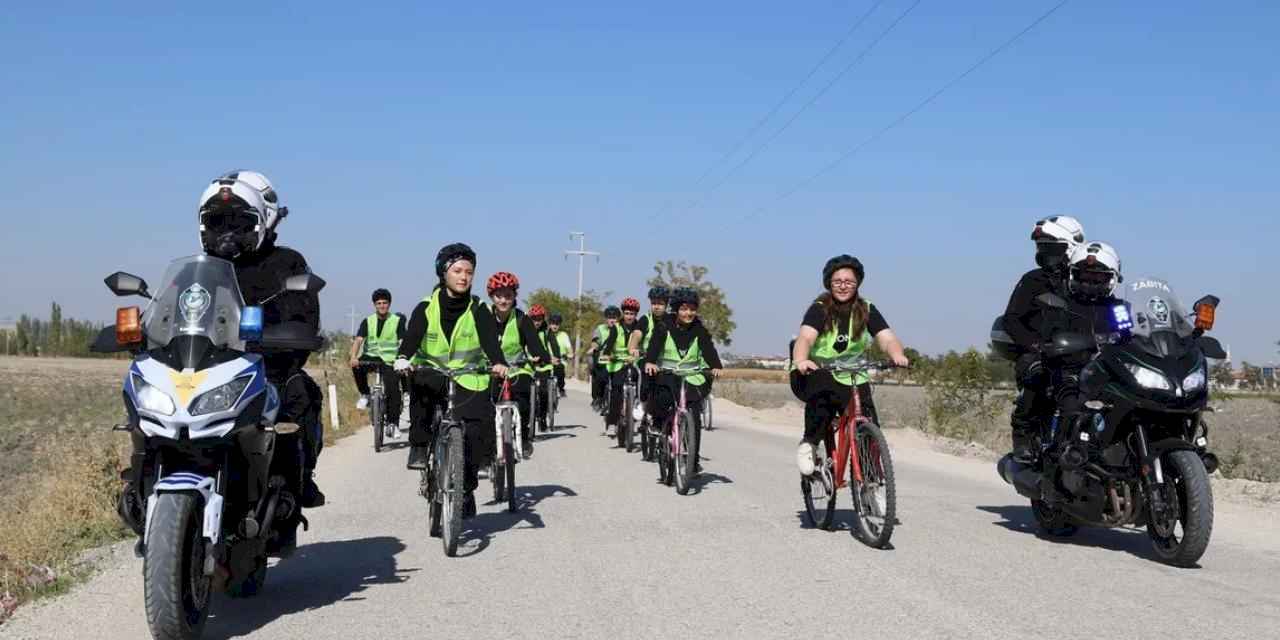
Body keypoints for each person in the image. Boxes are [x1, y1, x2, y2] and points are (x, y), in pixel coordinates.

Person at [394, 243, 508, 519]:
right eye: (457, 270)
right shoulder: (426, 307)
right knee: (420, 390)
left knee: (475, 429)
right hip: (432, 372)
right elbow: (412, 337)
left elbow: (489, 340)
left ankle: (466, 490)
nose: (464, 277)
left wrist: (498, 362)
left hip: (469, 376)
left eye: (469, 272)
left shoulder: (479, 308)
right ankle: (419, 447)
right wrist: (403, 357)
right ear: (443, 273)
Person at [790, 255, 910, 476]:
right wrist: (801, 360)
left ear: (857, 284)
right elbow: (805, 338)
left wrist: (897, 354)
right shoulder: (819, 309)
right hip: (817, 369)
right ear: (829, 283)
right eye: (837, 281)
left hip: (853, 372)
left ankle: (871, 483)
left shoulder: (866, 309)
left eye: (849, 282)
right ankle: (809, 444)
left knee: (867, 418)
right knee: (823, 396)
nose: (843, 286)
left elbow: (887, 338)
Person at [1002, 216, 1086, 461]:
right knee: (1036, 373)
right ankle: (1023, 436)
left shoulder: (1090, 279)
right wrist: (1034, 346)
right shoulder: (1033, 281)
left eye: (1051, 248)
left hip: (1083, 352)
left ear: (1071, 247)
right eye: (1041, 248)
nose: (1044, 254)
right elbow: (1011, 320)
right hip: (1042, 352)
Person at [643, 287, 723, 472]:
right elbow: (654, 346)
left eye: (692, 309)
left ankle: (692, 463)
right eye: (684, 309)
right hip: (667, 374)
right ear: (677, 309)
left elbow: (708, 349)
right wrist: (651, 362)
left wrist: (716, 366)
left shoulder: (699, 329)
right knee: (661, 398)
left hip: (692, 377)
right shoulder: (664, 325)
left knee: (694, 417)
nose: (689, 313)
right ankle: (657, 422)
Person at [485, 272, 550, 459]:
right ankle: (487, 448)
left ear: (514, 296)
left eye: (508, 295)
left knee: (522, 392)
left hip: (517, 369)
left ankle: (523, 436)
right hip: (489, 370)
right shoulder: (483, 318)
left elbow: (535, 344)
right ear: (491, 296)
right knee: (483, 404)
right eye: (499, 296)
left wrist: (542, 357)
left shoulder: (522, 319)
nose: (504, 300)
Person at [349, 288, 407, 432]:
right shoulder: (368, 321)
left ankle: (393, 424)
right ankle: (365, 394)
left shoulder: (396, 321)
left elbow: (401, 341)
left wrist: (401, 358)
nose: (382, 306)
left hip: (389, 360)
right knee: (356, 366)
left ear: (389, 304)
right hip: (372, 356)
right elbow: (358, 340)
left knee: (393, 389)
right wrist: (353, 356)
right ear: (374, 305)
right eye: (379, 303)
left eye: (385, 303)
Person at [601, 298, 641, 436]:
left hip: (634, 362)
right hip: (617, 363)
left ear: (636, 315)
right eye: (627, 313)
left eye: (632, 314)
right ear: (623, 313)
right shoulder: (616, 327)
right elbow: (610, 342)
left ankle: (635, 413)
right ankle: (612, 421)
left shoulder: (640, 327)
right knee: (616, 391)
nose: (629, 316)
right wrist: (607, 354)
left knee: (640, 385)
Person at [629, 287, 668, 421]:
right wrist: (633, 348)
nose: (656, 307)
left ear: (666, 305)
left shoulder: (672, 321)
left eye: (660, 304)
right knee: (644, 373)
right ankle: (642, 402)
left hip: (666, 360)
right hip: (645, 358)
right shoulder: (646, 319)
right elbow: (637, 334)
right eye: (654, 303)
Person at [527, 304, 561, 430]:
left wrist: (556, 357)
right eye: (534, 318)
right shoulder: (525, 328)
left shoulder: (547, 330)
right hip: (528, 364)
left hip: (544, 365)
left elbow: (554, 344)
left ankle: (542, 418)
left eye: (539, 319)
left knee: (543, 392)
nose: (537, 321)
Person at [589, 308, 619, 415]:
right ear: (606, 319)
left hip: (618, 358)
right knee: (600, 376)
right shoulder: (600, 329)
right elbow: (595, 342)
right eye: (610, 318)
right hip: (603, 357)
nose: (612, 320)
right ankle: (598, 397)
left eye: (614, 318)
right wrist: (594, 348)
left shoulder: (621, 328)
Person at [548, 313, 573, 398]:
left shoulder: (564, 335)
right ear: (549, 323)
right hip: (547, 360)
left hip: (560, 360)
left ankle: (561, 388)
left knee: (560, 371)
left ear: (559, 325)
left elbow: (569, 348)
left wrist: (570, 354)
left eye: (557, 324)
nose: (554, 326)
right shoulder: (545, 334)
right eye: (552, 323)